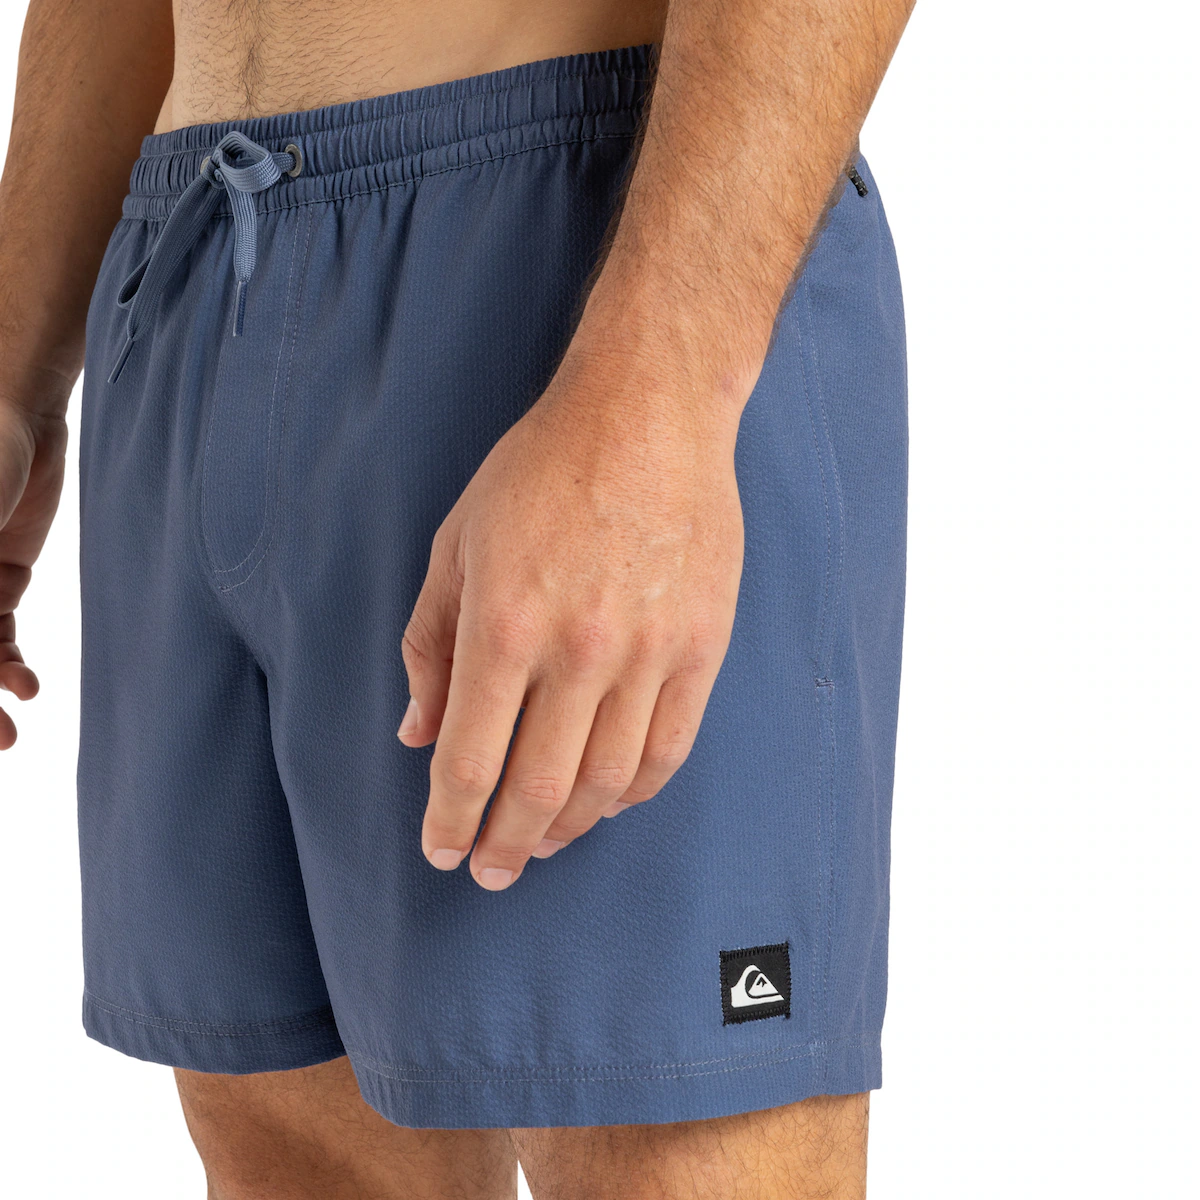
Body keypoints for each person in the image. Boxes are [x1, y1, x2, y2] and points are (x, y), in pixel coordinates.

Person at [0, 0, 914, 1194]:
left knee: (669, 1138)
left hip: (584, 241)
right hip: (189, 245)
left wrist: (660, 391)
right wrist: (14, 364)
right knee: (290, 1148)